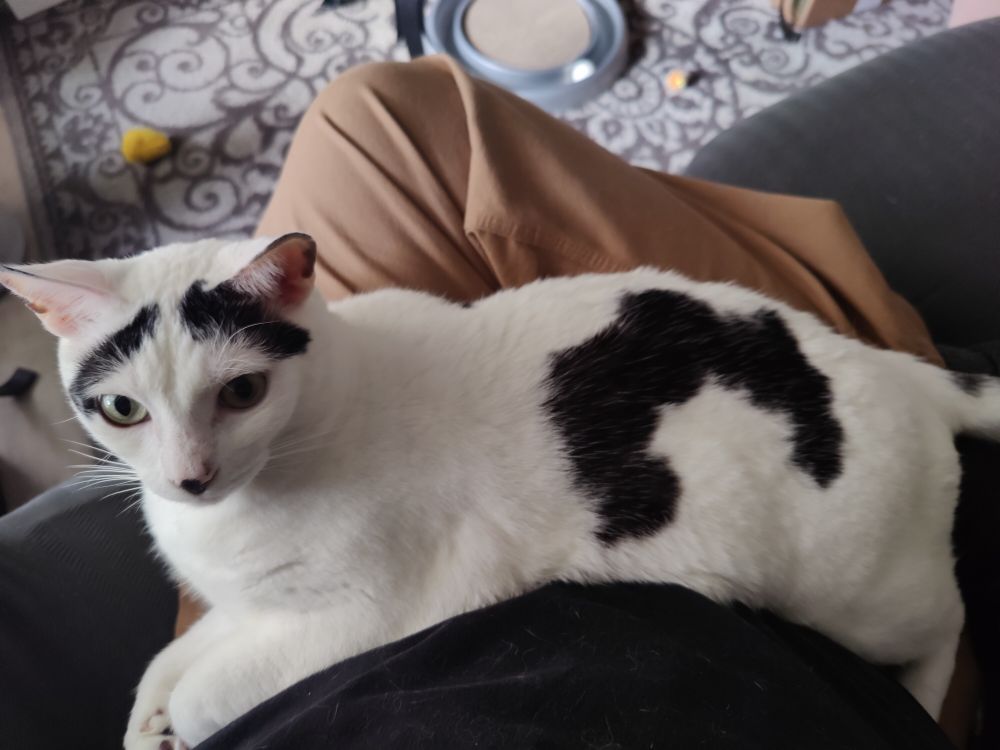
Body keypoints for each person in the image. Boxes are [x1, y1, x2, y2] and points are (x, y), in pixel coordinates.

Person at [5, 19, 1000, 747]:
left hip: (801, 481)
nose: (182, 467)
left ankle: (927, 579)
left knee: (372, 111)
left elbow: (379, 605)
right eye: (124, 413)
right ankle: (907, 383)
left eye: (230, 399)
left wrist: (196, 696)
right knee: (382, 131)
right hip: (741, 539)